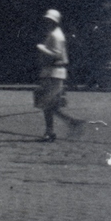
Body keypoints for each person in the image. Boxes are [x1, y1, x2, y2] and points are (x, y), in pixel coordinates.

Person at [35, 8, 84, 141]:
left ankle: (51, 131)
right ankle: (69, 123)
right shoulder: (54, 33)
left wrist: (42, 48)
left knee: (48, 104)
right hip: (52, 72)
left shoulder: (56, 35)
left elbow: (56, 54)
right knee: (50, 105)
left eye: (49, 20)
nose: (46, 22)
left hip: (54, 72)